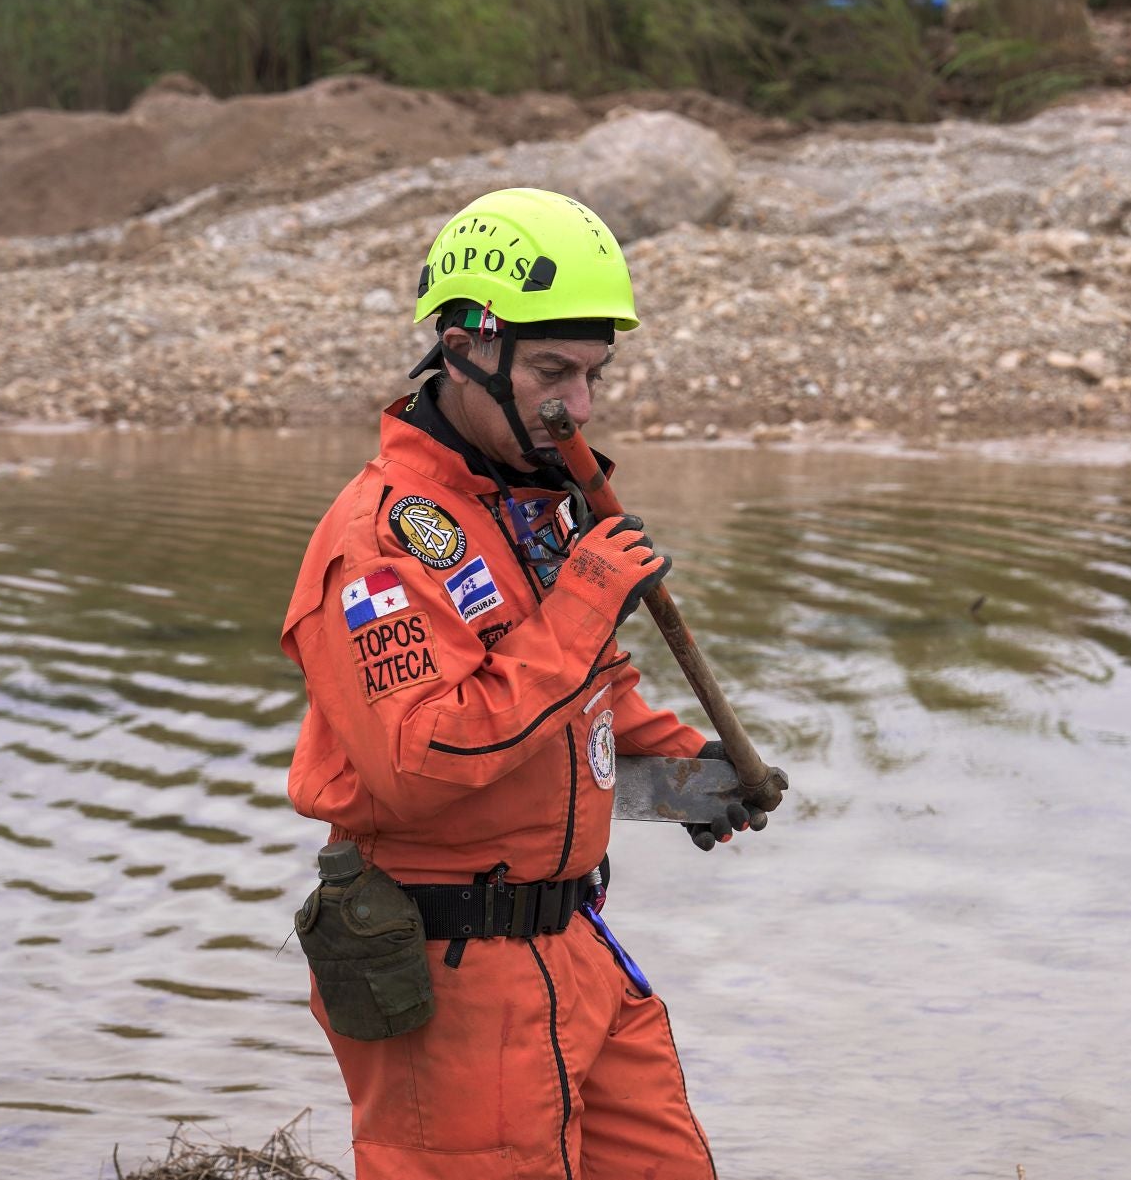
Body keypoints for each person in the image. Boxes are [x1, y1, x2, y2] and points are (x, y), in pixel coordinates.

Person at [281, 186, 779, 1179]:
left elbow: (580, 693)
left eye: (594, 373)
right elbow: (423, 762)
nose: (579, 408)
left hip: (574, 946)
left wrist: (678, 769)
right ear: (466, 345)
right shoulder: (379, 542)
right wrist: (590, 598)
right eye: (554, 371)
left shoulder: (526, 507)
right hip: (451, 974)